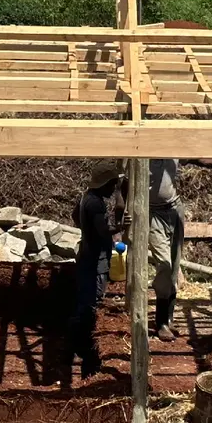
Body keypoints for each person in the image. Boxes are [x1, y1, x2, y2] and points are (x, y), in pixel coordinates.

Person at [70, 160, 121, 379]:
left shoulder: (85, 198)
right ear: (104, 184)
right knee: (91, 304)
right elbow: (102, 231)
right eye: (112, 185)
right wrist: (120, 227)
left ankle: (75, 344)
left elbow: (74, 217)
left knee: (85, 301)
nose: (113, 189)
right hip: (94, 261)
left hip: (86, 257)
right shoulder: (96, 204)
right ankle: (83, 349)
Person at [147, 158, 185, 342]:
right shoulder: (142, 151)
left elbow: (201, 158)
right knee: (165, 264)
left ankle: (169, 318)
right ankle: (160, 322)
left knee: (174, 263)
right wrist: (121, 210)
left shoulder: (173, 151)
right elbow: (125, 181)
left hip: (174, 209)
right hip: (153, 213)